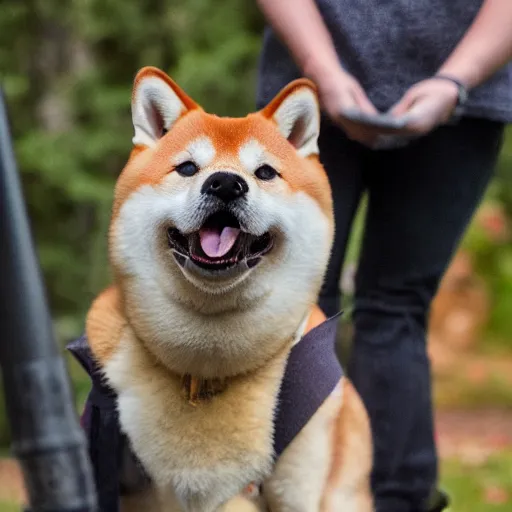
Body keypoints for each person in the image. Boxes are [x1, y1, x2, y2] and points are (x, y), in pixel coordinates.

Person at [255, 1, 512, 511]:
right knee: (308, 301)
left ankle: (351, 497)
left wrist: (454, 84)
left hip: (463, 100)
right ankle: (319, 494)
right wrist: (322, 69)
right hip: (307, 92)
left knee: (342, 302)